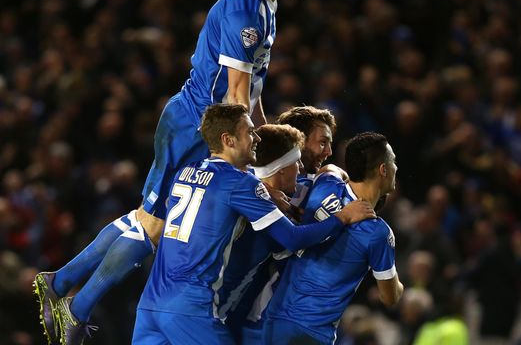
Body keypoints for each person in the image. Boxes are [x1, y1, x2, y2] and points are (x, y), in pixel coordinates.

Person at [33, 0, 317, 344]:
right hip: (195, 126)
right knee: (152, 226)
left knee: (150, 221)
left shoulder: (265, 5)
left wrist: (268, 145)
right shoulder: (246, 11)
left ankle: (60, 287)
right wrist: (259, 175)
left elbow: (252, 93)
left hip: (209, 127)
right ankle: (72, 303)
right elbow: (236, 96)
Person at [74, 103, 367, 345]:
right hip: (192, 308)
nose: (256, 138)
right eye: (250, 133)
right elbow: (291, 238)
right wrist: (343, 216)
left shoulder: (186, 172)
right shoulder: (241, 185)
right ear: (229, 140)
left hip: (151, 303)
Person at [263, 131, 405, 344]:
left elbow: (328, 169)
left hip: (274, 321)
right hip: (312, 334)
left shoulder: (326, 184)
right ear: (383, 170)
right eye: (393, 161)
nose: (396, 167)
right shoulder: (377, 233)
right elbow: (390, 297)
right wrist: (398, 282)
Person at [218, 105, 341, 343]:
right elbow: (293, 239)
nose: (328, 152)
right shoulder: (257, 183)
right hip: (232, 311)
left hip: (242, 311)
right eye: (323, 142)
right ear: (299, 143)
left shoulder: (243, 178)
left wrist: (333, 172)